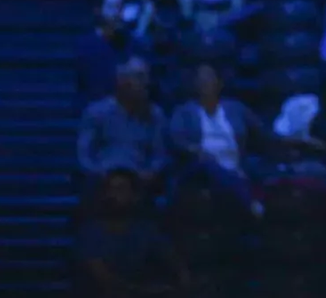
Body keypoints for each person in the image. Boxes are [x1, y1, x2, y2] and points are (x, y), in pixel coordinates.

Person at [168, 64, 287, 219]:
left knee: (268, 170)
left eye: (209, 78)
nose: (204, 82)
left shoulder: (235, 108)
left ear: (219, 83)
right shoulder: (184, 111)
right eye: (200, 79)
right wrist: (194, 149)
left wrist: (293, 140)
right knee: (210, 166)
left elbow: (263, 132)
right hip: (201, 169)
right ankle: (251, 204)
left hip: (236, 167)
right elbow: (175, 139)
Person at [77, 169, 190, 298]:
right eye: (110, 189)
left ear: (135, 196)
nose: (113, 195)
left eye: (120, 189)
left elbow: (170, 255)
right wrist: (144, 291)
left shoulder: (145, 229)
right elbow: (103, 278)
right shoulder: (90, 232)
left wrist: (183, 275)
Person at [77, 59, 168, 194]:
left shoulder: (155, 115)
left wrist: (151, 172)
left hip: (139, 178)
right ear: (122, 82)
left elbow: (160, 154)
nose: (145, 83)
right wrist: (97, 173)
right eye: (139, 77)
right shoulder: (96, 112)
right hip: (104, 177)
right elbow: (84, 154)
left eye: (146, 78)